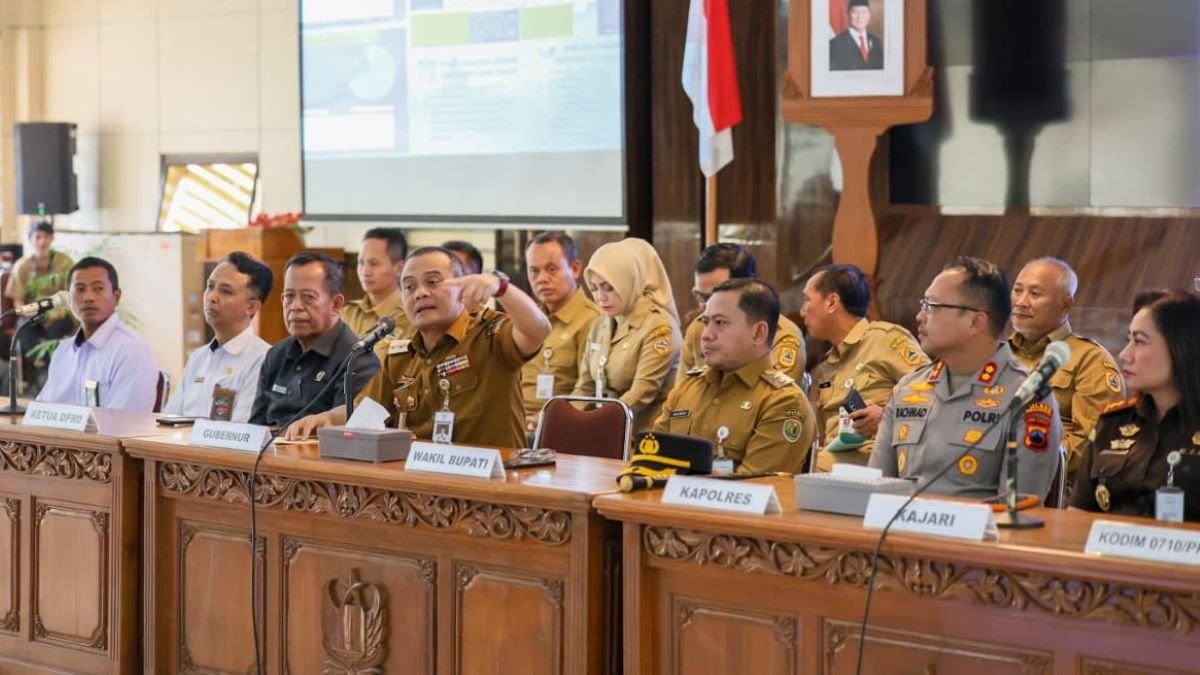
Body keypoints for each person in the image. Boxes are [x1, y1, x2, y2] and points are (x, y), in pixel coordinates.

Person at [286, 246, 551, 448]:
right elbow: (365, 411)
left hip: (491, 484)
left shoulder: (490, 335)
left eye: (433, 282)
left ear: (462, 289)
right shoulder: (401, 356)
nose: (420, 293)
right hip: (421, 482)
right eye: (409, 287)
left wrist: (501, 288)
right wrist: (328, 419)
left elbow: (538, 330)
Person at [869, 257, 1062, 501]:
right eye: (923, 304)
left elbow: (1016, 508)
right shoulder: (908, 388)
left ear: (975, 322)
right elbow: (875, 489)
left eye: (932, 306)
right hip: (896, 524)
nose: (920, 316)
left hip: (976, 526)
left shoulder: (1029, 397)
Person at [654, 279, 815, 474]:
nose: (706, 335)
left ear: (758, 333)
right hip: (667, 493)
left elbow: (752, 485)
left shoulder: (785, 403)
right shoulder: (687, 388)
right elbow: (651, 461)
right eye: (706, 322)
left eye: (720, 323)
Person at [1071, 291, 1200, 521]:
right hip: (1107, 543)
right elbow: (1077, 514)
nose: (1124, 355)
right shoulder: (1113, 422)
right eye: (1127, 340)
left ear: (1181, 347)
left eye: (1139, 342)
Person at [801, 264, 929, 470]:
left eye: (807, 300)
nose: (802, 311)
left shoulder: (885, 339)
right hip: (832, 462)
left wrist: (886, 416)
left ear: (832, 302)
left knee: (804, 469)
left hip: (879, 460)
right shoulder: (823, 368)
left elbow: (932, 391)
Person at [1008, 257, 1124, 475]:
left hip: (1051, 484)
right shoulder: (996, 354)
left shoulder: (1090, 359)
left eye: (1035, 294)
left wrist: (1018, 463)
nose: (1021, 302)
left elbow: (1092, 442)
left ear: (1066, 304)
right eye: (1017, 290)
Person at [249, 252, 379, 428]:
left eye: (308, 297)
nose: (295, 306)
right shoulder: (276, 355)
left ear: (336, 304)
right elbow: (255, 429)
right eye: (289, 296)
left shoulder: (357, 361)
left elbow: (344, 435)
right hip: (270, 445)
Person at [572, 238, 682, 432]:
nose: (600, 297)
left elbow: (641, 393)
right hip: (607, 429)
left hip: (646, 435)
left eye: (609, 287)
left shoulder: (660, 327)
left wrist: (595, 422)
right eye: (594, 288)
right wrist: (568, 418)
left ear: (629, 282)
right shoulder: (601, 324)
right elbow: (585, 386)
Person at [162, 252, 273, 423]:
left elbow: (241, 430)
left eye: (226, 291)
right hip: (186, 440)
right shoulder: (198, 357)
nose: (212, 297)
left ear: (251, 307)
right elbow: (170, 420)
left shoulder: (263, 360)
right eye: (210, 286)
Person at [37, 256, 159, 411]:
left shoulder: (132, 350)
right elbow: (41, 411)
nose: (88, 297)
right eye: (80, 289)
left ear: (116, 297)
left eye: (98, 288)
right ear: (69, 299)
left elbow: (123, 420)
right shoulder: (63, 352)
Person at [676, 243, 806, 384]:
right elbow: (681, 392)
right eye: (699, 296)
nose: (705, 306)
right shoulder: (697, 329)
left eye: (714, 296)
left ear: (748, 288)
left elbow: (771, 394)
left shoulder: (782, 336)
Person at [519, 231, 601, 425]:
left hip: (558, 427)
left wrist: (547, 420)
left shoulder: (594, 320)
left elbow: (588, 391)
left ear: (575, 269)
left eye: (551, 269)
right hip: (516, 421)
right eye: (534, 271)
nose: (542, 279)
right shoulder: (528, 319)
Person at [5, 220, 76, 392]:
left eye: (46, 237)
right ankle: (46, 371)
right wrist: (28, 313)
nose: (42, 241)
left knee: (54, 333)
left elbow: (72, 294)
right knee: (23, 329)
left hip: (59, 314)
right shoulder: (22, 265)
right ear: (31, 240)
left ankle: (43, 373)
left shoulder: (64, 262)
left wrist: (58, 312)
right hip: (33, 315)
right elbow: (18, 300)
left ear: (52, 239)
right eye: (38, 237)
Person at [342, 228, 409, 361]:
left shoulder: (410, 317)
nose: (365, 271)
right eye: (361, 263)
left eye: (374, 263)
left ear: (399, 268)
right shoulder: (347, 313)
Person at [829, 0, 883, 71]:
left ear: (869, 14)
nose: (860, 17)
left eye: (864, 12)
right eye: (855, 12)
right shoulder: (835, 44)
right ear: (848, 14)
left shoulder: (876, 42)